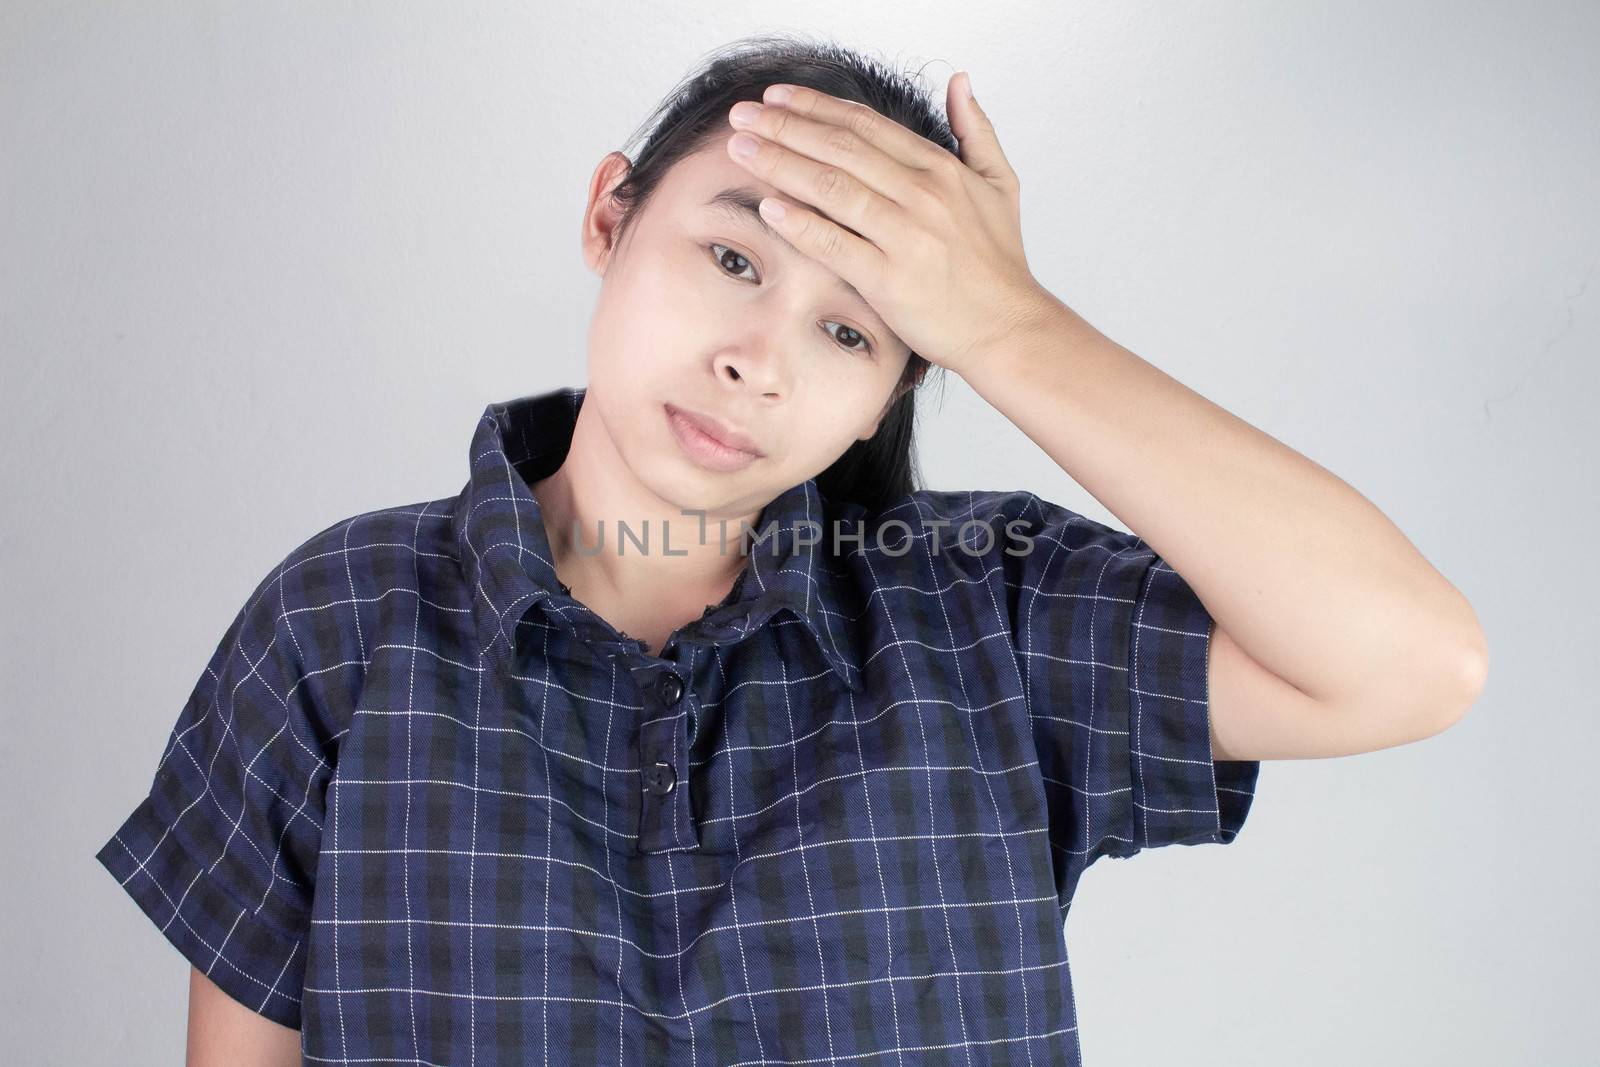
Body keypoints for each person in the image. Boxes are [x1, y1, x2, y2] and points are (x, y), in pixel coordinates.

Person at [95, 33, 1487, 1066]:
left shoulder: (983, 615)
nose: (759, 361)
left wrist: (1009, 325)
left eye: (853, 330)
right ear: (609, 215)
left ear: (896, 383)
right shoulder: (338, 630)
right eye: (736, 260)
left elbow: (1411, 663)